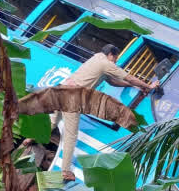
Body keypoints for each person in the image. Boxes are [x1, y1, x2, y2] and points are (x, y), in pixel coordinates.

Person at [51, 44, 159, 182]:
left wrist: (133, 86)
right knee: (71, 135)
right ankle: (65, 171)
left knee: (52, 121)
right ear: (111, 55)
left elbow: (113, 82)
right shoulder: (106, 63)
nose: (115, 62)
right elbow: (129, 77)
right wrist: (148, 86)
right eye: (116, 59)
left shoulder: (96, 58)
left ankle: (30, 139)